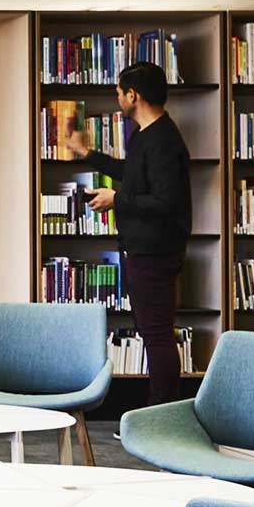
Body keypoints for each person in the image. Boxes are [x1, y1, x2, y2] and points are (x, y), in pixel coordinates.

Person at [63, 60, 192, 407]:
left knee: (156, 336)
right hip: (142, 249)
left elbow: (166, 201)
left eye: (119, 92)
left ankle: (160, 415)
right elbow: (131, 174)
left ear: (133, 95)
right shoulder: (145, 135)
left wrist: (116, 199)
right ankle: (159, 413)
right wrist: (88, 154)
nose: (117, 98)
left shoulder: (163, 140)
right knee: (154, 333)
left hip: (155, 251)